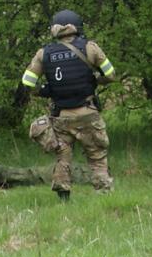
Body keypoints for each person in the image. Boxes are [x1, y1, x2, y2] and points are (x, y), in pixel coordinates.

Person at [14, 10, 117, 199]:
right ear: (77, 27)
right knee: (97, 156)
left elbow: (27, 82)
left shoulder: (44, 53)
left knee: (63, 157)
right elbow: (110, 74)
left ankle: (63, 197)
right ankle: (104, 196)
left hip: (61, 116)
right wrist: (94, 80)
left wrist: (46, 90)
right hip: (88, 113)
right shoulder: (90, 48)